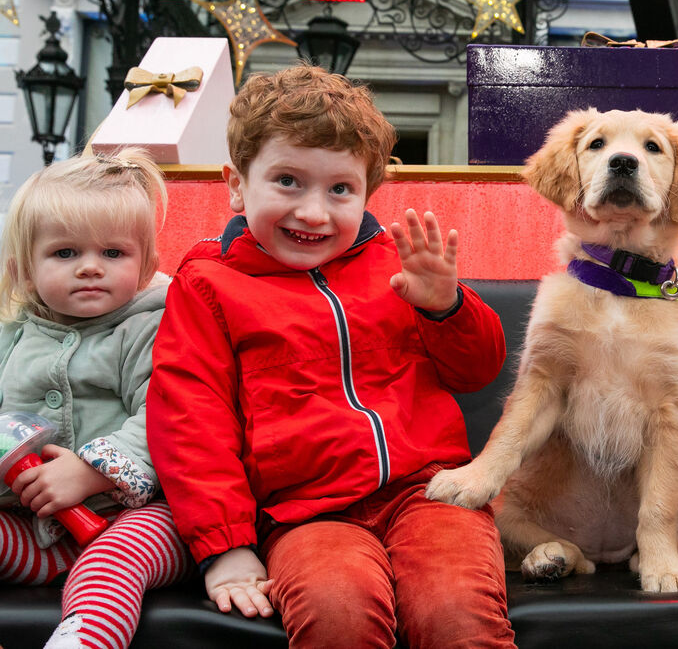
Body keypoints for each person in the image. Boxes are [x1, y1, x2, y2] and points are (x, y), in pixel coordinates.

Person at [145, 64, 515, 649]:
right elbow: (191, 422)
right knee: (337, 615)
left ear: (368, 193)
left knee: (457, 615)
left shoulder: (400, 263)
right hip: (303, 514)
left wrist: (446, 306)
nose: (314, 212)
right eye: (288, 181)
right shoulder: (208, 286)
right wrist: (226, 546)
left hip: (430, 491)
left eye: (340, 189)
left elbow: (477, 373)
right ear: (237, 185)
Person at [0, 149, 191, 649]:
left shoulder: (149, 328)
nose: (89, 268)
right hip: (39, 534)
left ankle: (84, 641)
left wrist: (91, 472)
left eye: (112, 254)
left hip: (140, 518)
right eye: (65, 254)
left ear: (147, 264)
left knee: (114, 559)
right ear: (24, 271)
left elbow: (170, 414)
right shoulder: (12, 339)